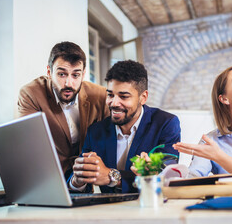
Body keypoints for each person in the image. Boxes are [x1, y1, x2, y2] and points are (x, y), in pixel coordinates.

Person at [68, 60, 181, 193]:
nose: (114, 103)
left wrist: (112, 177)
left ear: (143, 97)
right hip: (106, 211)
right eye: (110, 95)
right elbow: (80, 188)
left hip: (150, 209)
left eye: (124, 96)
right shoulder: (96, 131)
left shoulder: (166, 124)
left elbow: (166, 177)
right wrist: (77, 181)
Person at [18, 41, 109, 179]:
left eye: (75, 75)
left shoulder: (100, 96)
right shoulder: (30, 94)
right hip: (46, 177)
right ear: (49, 72)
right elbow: (31, 146)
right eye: (62, 74)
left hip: (85, 181)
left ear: (83, 74)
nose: (68, 83)